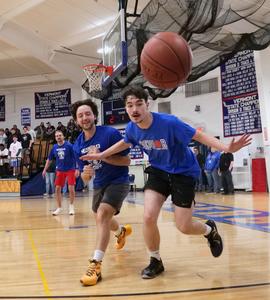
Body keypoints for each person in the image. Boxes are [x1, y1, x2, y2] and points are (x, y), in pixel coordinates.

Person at [81, 86, 252, 280]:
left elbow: (198, 135)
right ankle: (156, 260)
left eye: (138, 104)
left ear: (148, 104)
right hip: (159, 171)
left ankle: (209, 230)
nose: (134, 109)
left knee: (184, 226)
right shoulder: (131, 128)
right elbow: (126, 142)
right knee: (148, 217)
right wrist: (102, 155)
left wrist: (226, 148)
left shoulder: (169, 123)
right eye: (129, 105)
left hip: (183, 173)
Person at [71, 99, 132, 286]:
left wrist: (103, 156)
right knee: (99, 214)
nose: (84, 118)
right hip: (99, 183)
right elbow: (85, 177)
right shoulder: (77, 145)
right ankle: (121, 231)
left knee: (102, 215)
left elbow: (127, 161)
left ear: (94, 115)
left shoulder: (110, 134)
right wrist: (86, 174)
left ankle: (96, 264)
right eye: (80, 115)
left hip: (118, 181)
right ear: (76, 121)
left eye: (87, 113)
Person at [42, 130, 77, 215]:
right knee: (57, 189)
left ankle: (71, 207)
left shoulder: (69, 146)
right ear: (55, 138)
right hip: (60, 170)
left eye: (60, 135)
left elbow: (76, 157)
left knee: (71, 189)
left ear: (63, 136)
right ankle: (59, 207)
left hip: (70, 169)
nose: (58, 137)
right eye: (57, 136)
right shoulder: (54, 147)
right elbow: (49, 159)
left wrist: (77, 168)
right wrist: (44, 169)